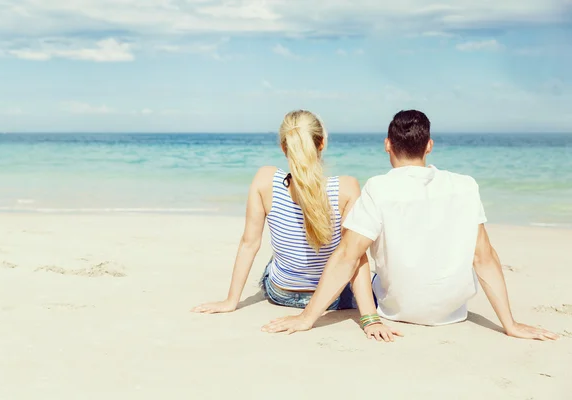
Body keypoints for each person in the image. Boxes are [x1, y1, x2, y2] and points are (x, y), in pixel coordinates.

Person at [262, 110, 559, 341]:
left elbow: (346, 256)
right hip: (452, 312)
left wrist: (306, 319)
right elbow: (484, 257)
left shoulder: (378, 188)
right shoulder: (466, 186)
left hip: (396, 309)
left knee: (361, 256)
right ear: (428, 146)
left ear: (387, 145)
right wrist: (510, 324)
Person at [192, 110, 402, 341]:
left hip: (280, 292)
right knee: (354, 254)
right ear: (321, 144)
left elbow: (249, 243)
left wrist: (231, 301)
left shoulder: (265, 179)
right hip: (333, 299)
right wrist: (370, 318)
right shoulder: (346, 188)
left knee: (278, 259)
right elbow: (354, 258)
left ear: (284, 147)